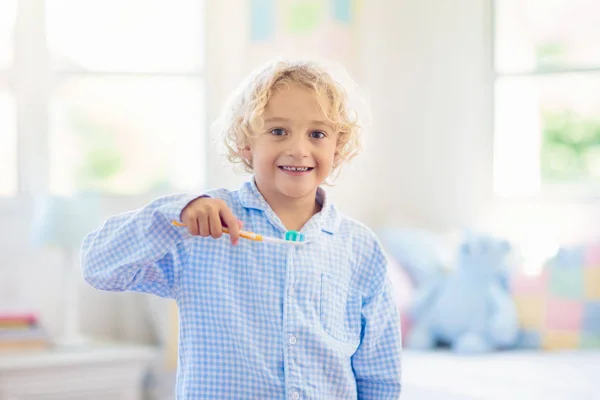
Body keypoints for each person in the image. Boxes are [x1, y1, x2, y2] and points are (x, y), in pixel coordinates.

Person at [81, 59, 402, 399]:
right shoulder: (199, 226)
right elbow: (97, 266)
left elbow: (380, 377)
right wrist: (173, 216)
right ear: (246, 143)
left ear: (337, 147)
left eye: (317, 134)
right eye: (278, 131)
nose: (298, 149)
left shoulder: (361, 248)